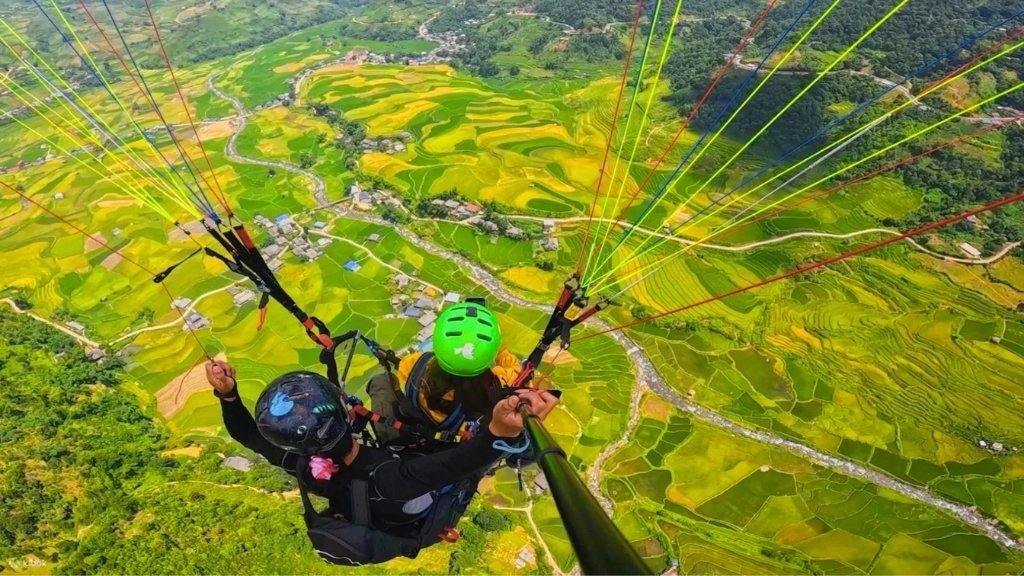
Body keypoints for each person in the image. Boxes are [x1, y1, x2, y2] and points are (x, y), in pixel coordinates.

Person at [206, 359, 557, 562]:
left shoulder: (307, 469)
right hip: (413, 500)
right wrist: (497, 430)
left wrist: (228, 395)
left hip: (385, 504)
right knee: (463, 465)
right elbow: (459, 463)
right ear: (345, 415)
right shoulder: (393, 477)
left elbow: (247, 436)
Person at [365, 300, 523, 447]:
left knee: (382, 381)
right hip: (462, 435)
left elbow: (403, 370)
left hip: (426, 421)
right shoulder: (502, 382)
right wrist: (493, 347)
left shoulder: (415, 365)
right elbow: (517, 369)